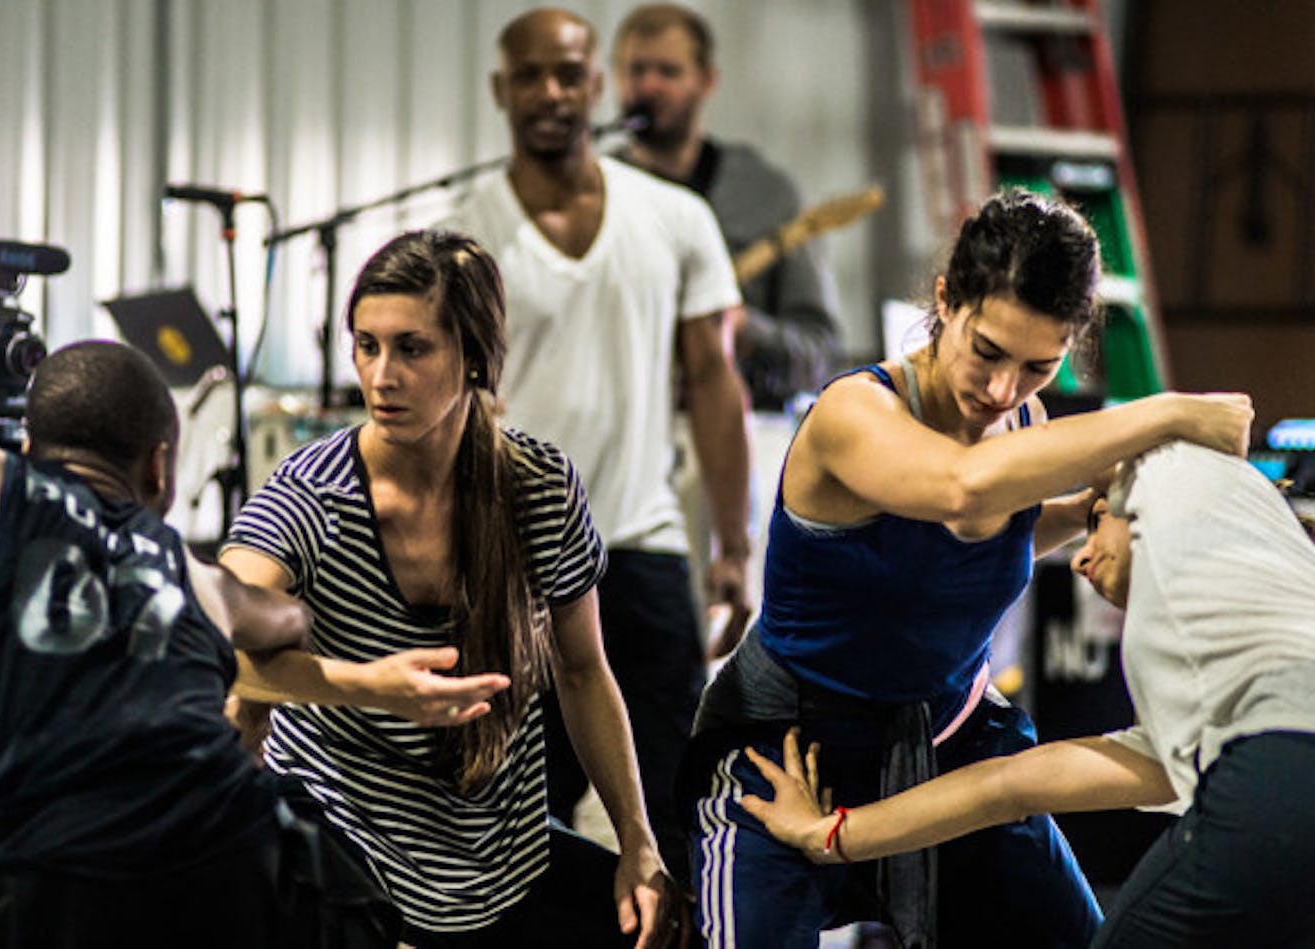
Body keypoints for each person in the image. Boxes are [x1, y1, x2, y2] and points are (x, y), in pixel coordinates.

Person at [679, 188, 1255, 947]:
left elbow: (988, 532)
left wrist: (1087, 512)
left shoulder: (1024, 421)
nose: (1001, 389)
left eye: (1037, 367)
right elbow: (960, 490)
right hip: (789, 749)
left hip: (952, 737)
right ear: (946, 299)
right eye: (986, 351)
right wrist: (1172, 411)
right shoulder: (854, 414)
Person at [0, 340, 508, 949]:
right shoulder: (193, 577)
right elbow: (285, 620)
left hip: (25, 886)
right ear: (159, 469)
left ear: (29, 450)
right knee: (323, 854)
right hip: (215, 867)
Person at [219, 230, 674, 948]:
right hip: (343, 849)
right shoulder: (313, 494)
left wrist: (638, 841)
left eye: (411, 347)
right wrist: (371, 686)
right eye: (366, 345)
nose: (380, 375)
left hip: (499, 858)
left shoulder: (541, 489)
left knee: (675, 928)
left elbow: (584, 671)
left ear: (475, 357)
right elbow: (226, 646)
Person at [743, 440, 1315, 948]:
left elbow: (992, 475)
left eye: (1095, 522)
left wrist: (1176, 417)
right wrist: (832, 835)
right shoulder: (1202, 723)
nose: (1083, 558)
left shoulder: (1177, 473)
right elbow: (1008, 786)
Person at [439, 7, 751, 883]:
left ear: (596, 86)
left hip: (641, 550)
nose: (551, 93)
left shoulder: (676, 217)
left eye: (569, 74)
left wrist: (733, 544)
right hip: (511, 564)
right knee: (513, 834)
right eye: (531, 76)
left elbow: (716, 385)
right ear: (501, 91)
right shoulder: (463, 239)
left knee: (672, 821)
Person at [612, 2, 843, 411]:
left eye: (668, 72)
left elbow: (821, 354)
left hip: (740, 430)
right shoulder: (594, 191)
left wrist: (747, 331)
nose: (648, 87)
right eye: (635, 71)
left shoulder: (768, 195)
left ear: (707, 80)